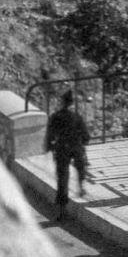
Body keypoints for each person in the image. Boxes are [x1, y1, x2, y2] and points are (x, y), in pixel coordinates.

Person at [45, 90, 90, 221]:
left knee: (62, 178)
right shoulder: (77, 117)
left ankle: (62, 210)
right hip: (76, 146)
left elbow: (50, 135)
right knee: (80, 166)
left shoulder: (55, 117)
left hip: (61, 148)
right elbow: (86, 136)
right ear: (72, 103)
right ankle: (81, 187)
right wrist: (83, 141)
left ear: (62, 102)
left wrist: (49, 147)